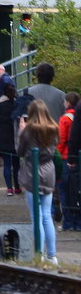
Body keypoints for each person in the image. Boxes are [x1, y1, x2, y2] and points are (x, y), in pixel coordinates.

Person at [17, 99, 59, 264]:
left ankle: (39, 252)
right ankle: (52, 255)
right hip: (49, 171)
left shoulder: (28, 130)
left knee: (36, 216)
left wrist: (21, 131)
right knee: (47, 215)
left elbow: (20, 151)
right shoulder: (53, 128)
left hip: (31, 171)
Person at [0, 82, 21, 196]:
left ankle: (9, 188)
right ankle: (18, 186)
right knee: (16, 164)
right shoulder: (17, 105)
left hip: (3, 137)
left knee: (7, 164)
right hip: (15, 138)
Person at [59, 92, 80, 231]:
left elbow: (62, 139)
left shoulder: (65, 119)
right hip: (77, 156)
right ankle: (78, 222)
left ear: (67, 103)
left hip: (67, 157)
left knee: (64, 191)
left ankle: (68, 222)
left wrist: (58, 155)